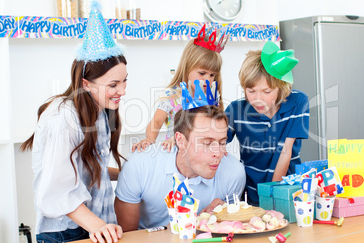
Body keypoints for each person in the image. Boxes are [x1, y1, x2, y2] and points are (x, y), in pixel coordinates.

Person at [20, 1, 126, 243]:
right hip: (66, 233)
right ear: (86, 84)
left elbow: (87, 170)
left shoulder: (101, 112)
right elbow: (58, 188)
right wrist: (98, 226)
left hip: (93, 225)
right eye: (113, 85)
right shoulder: (64, 117)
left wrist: (123, 174)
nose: (121, 90)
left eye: (123, 81)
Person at [114, 104, 246, 231]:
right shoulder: (139, 164)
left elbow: (230, 236)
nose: (218, 153)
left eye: (222, 142)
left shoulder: (233, 172)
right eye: (207, 143)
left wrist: (223, 217)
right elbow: (128, 237)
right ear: (181, 141)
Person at [225, 41, 310, 206]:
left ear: (280, 86)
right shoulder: (235, 110)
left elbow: (286, 151)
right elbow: (214, 140)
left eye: (266, 92)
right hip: (250, 195)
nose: (257, 99)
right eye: (251, 91)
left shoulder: (298, 101)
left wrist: (272, 199)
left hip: (285, 193)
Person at [131, 25, 228, 153]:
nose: (207, 79)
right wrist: (150, 139)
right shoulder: (174, 95)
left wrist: (220, 146)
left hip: (202, 151)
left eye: (212, 75)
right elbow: (157, 122)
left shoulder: (212, 97)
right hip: (175, 151)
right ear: (188, 68)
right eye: (202, 73)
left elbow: (217, 126)